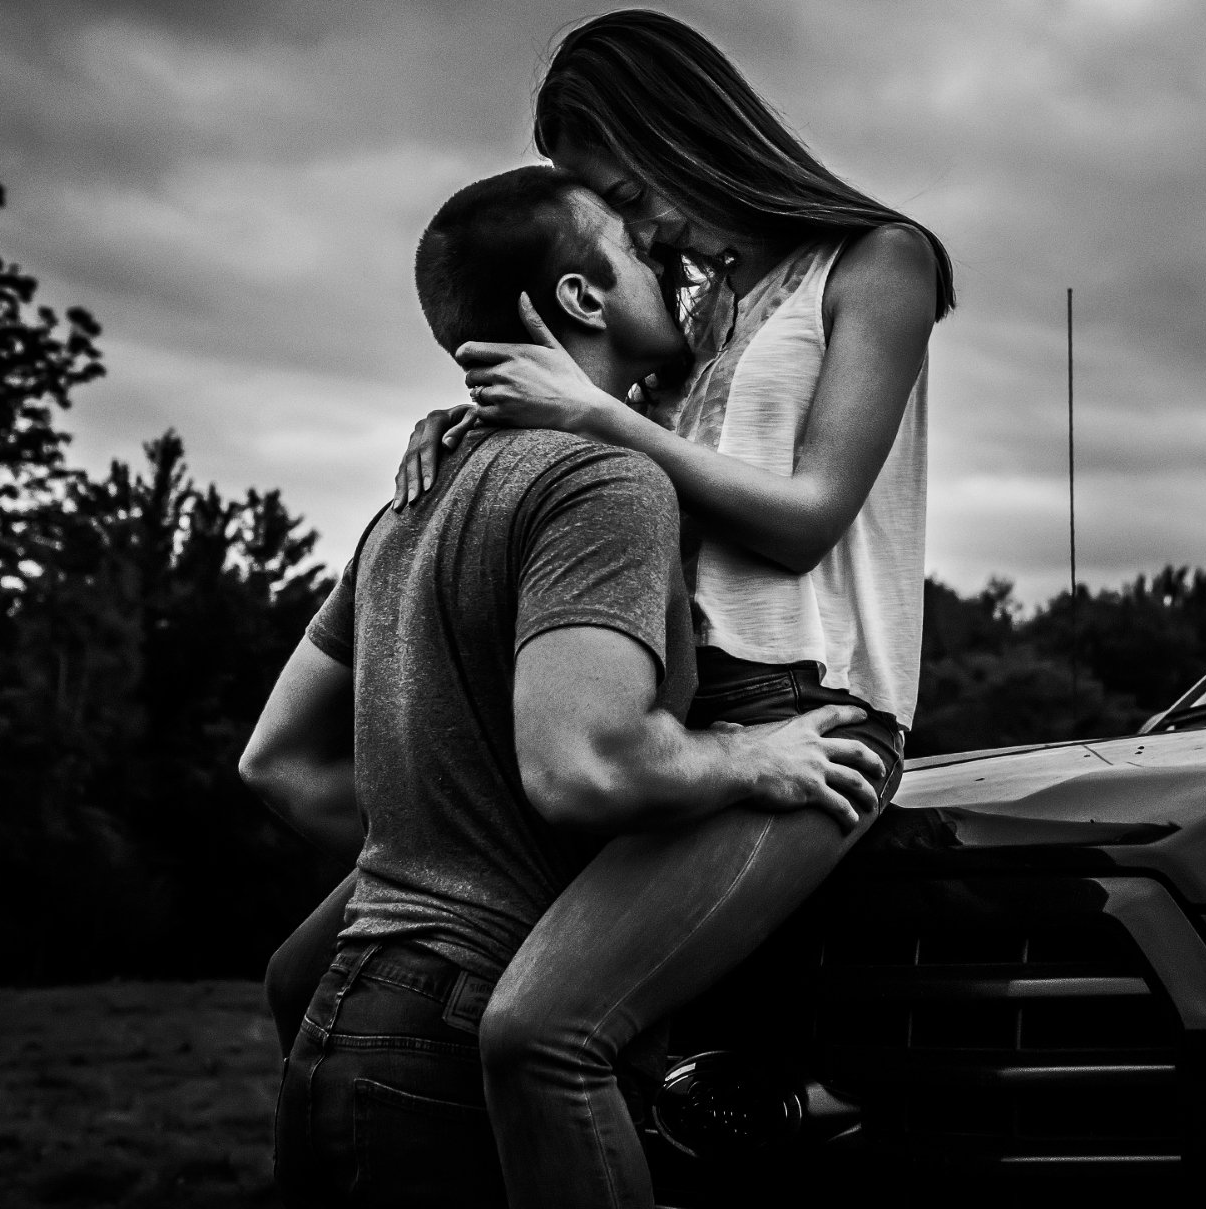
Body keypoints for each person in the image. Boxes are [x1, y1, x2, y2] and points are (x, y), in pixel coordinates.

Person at [241, 166, 886, 1206]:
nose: (661, 258)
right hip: (447, 1048)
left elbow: (273, 760)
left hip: (345, 1025)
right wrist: (752, 754)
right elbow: (585, 767)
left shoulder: (417, 495)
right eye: (630, 250)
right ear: (583, 298)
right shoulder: (605, 480)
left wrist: (444, 833)